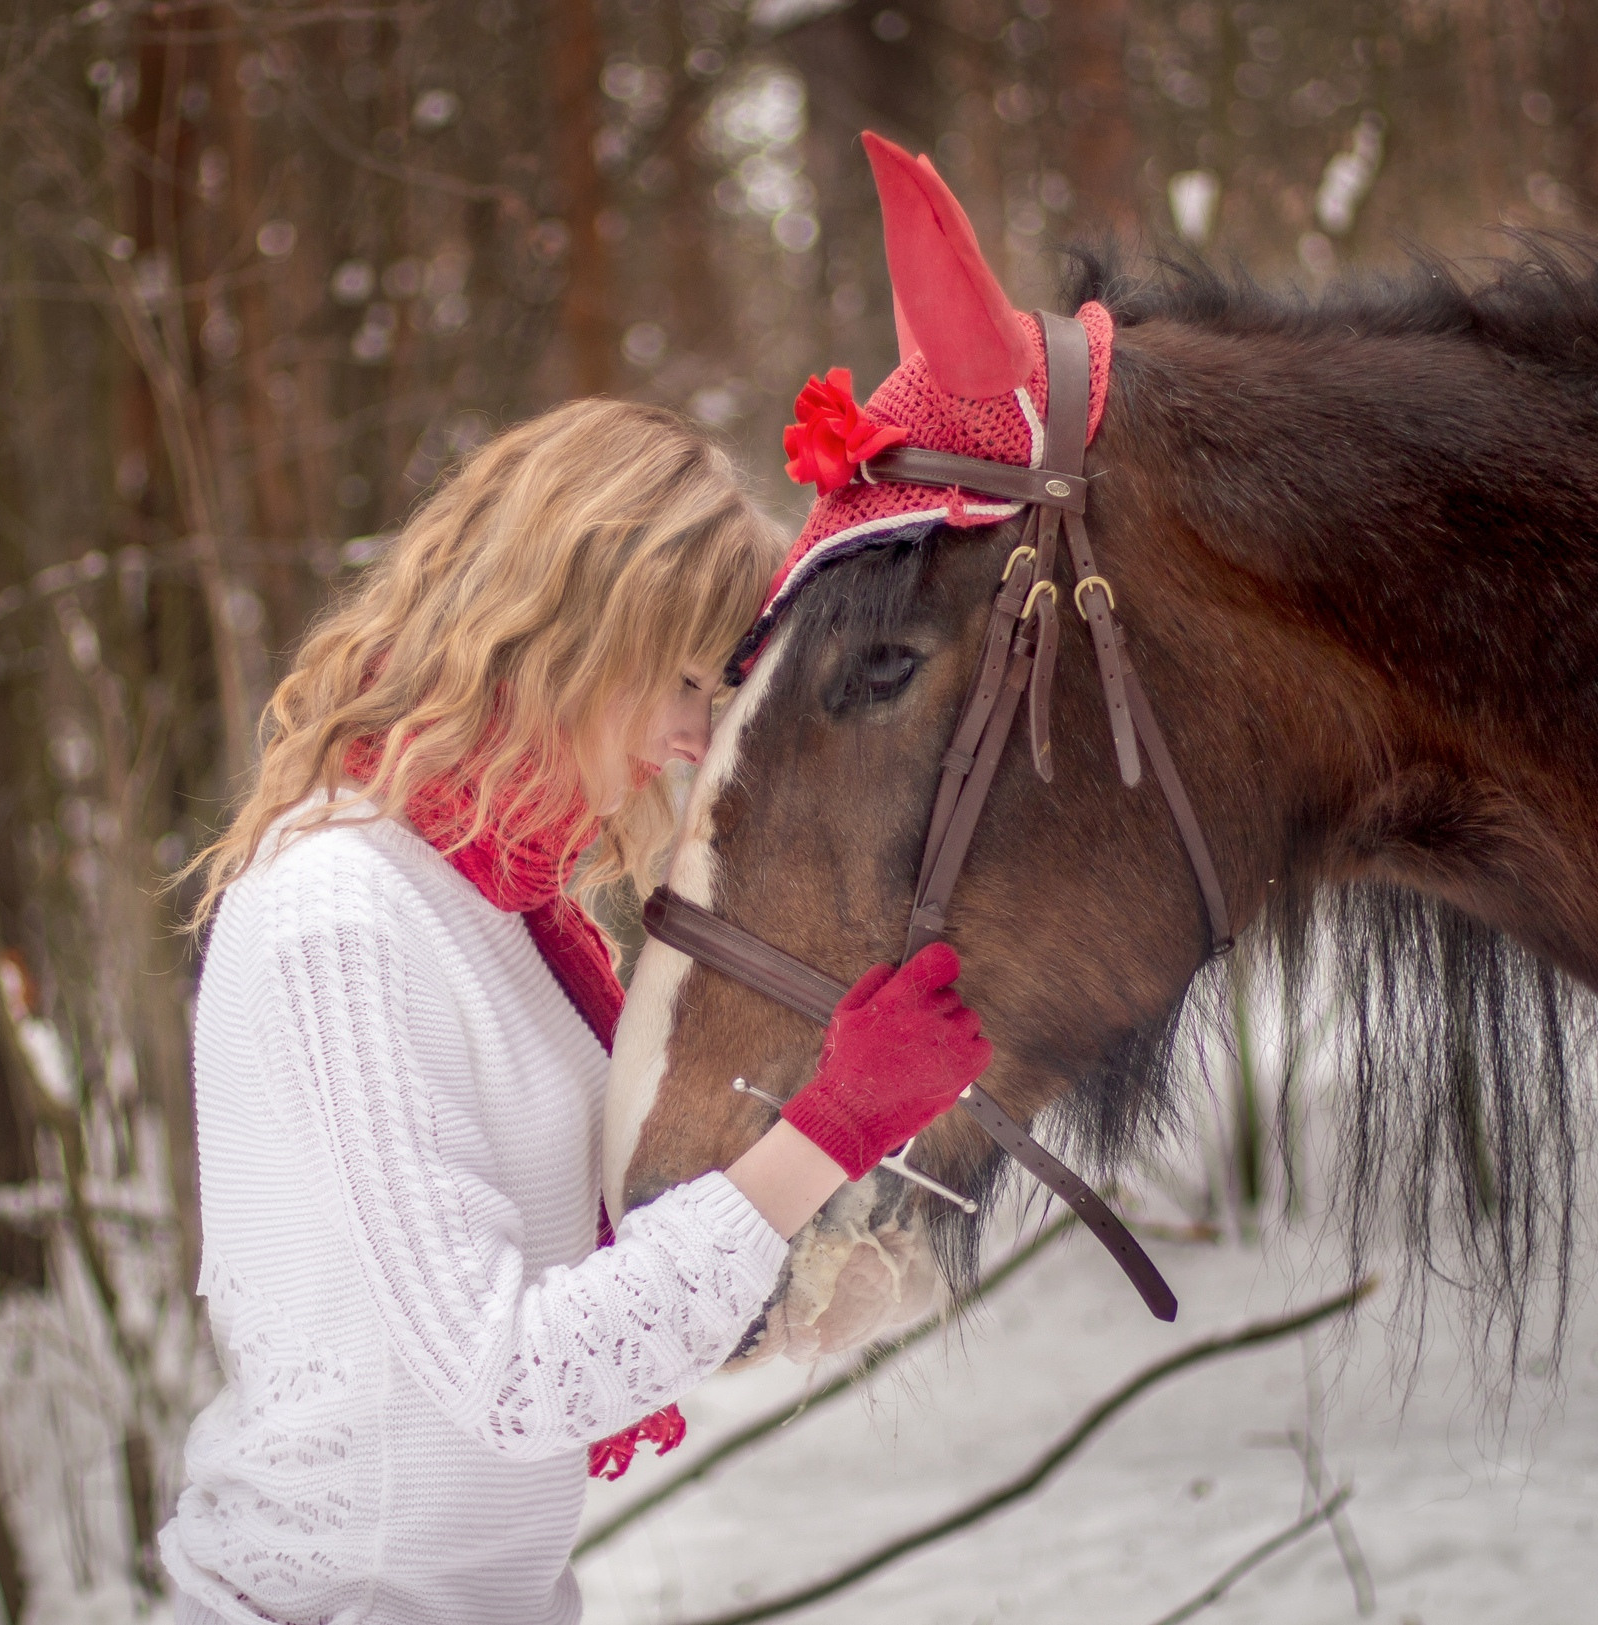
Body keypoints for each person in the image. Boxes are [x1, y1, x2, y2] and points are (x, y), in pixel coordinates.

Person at [160, 399, 996, 1625]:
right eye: (683, 680)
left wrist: (820, 1230)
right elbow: (510, 1375)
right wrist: (826, 1130)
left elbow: (602, 1278)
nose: (693, 736)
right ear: (567, 629)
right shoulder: (339, 914)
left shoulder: (499, 905)